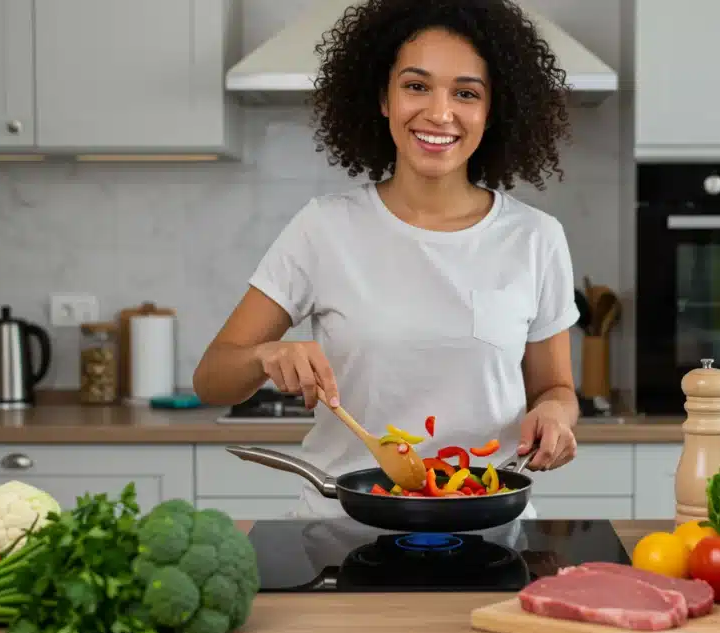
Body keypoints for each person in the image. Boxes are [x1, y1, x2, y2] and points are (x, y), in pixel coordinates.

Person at [193, 0, 582, 519]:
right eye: (416, 86)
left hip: (488, 521)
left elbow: (555, 388)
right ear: (383, 97)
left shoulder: (536, 237)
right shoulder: (322, 228)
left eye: (466, 93)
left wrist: (556, 412)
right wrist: (265, 356)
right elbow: (212, 379)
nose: (439, 113)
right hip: (339, 524)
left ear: (491, 113)